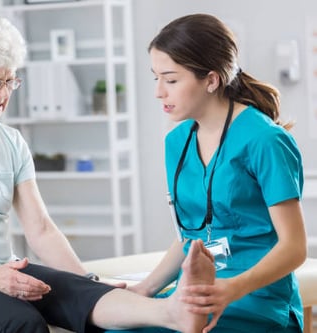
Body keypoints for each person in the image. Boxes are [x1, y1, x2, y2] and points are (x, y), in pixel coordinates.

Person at [0, 12, 216, 333]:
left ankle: (171, 314)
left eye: (10, 81)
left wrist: (85, 283)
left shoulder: (10, 141)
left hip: (4, 269)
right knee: (23, 320)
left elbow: (42, 230)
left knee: (89, 299)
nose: (4, 94)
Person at [107, 13, 307, 333]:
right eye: (155, 78)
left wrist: (231, 289)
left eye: (171, 80)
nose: (159, 91)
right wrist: (145, 290)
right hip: (196, 294)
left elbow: (294, 248)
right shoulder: (177, 141)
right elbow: (191, 234)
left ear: (211, 80)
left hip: (257, 300)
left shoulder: (265, 140)